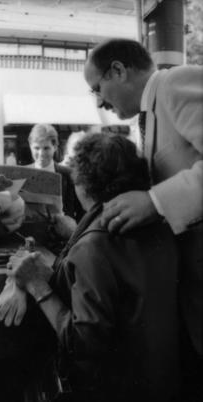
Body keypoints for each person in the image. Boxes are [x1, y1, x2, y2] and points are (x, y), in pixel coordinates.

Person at [7, 133, 180, 402]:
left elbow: (83, 344)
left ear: (83, 184)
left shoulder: (91, 248)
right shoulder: (160, 226)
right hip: (160, 377)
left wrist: (37, 285)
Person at [83, 38, 203, 401]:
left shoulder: (175, 83)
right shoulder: (147, 117)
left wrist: (154, 201)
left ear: (118, 70)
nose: (100, 101)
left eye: (97, 88)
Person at [26, 123, 81, 222]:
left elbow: (80, 210)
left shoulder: (68, 174)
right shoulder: (22, 173)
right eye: (36, 148)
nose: (41, 153)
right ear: (30, 146)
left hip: (62, 235)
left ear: (55, 147)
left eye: (46, 148)